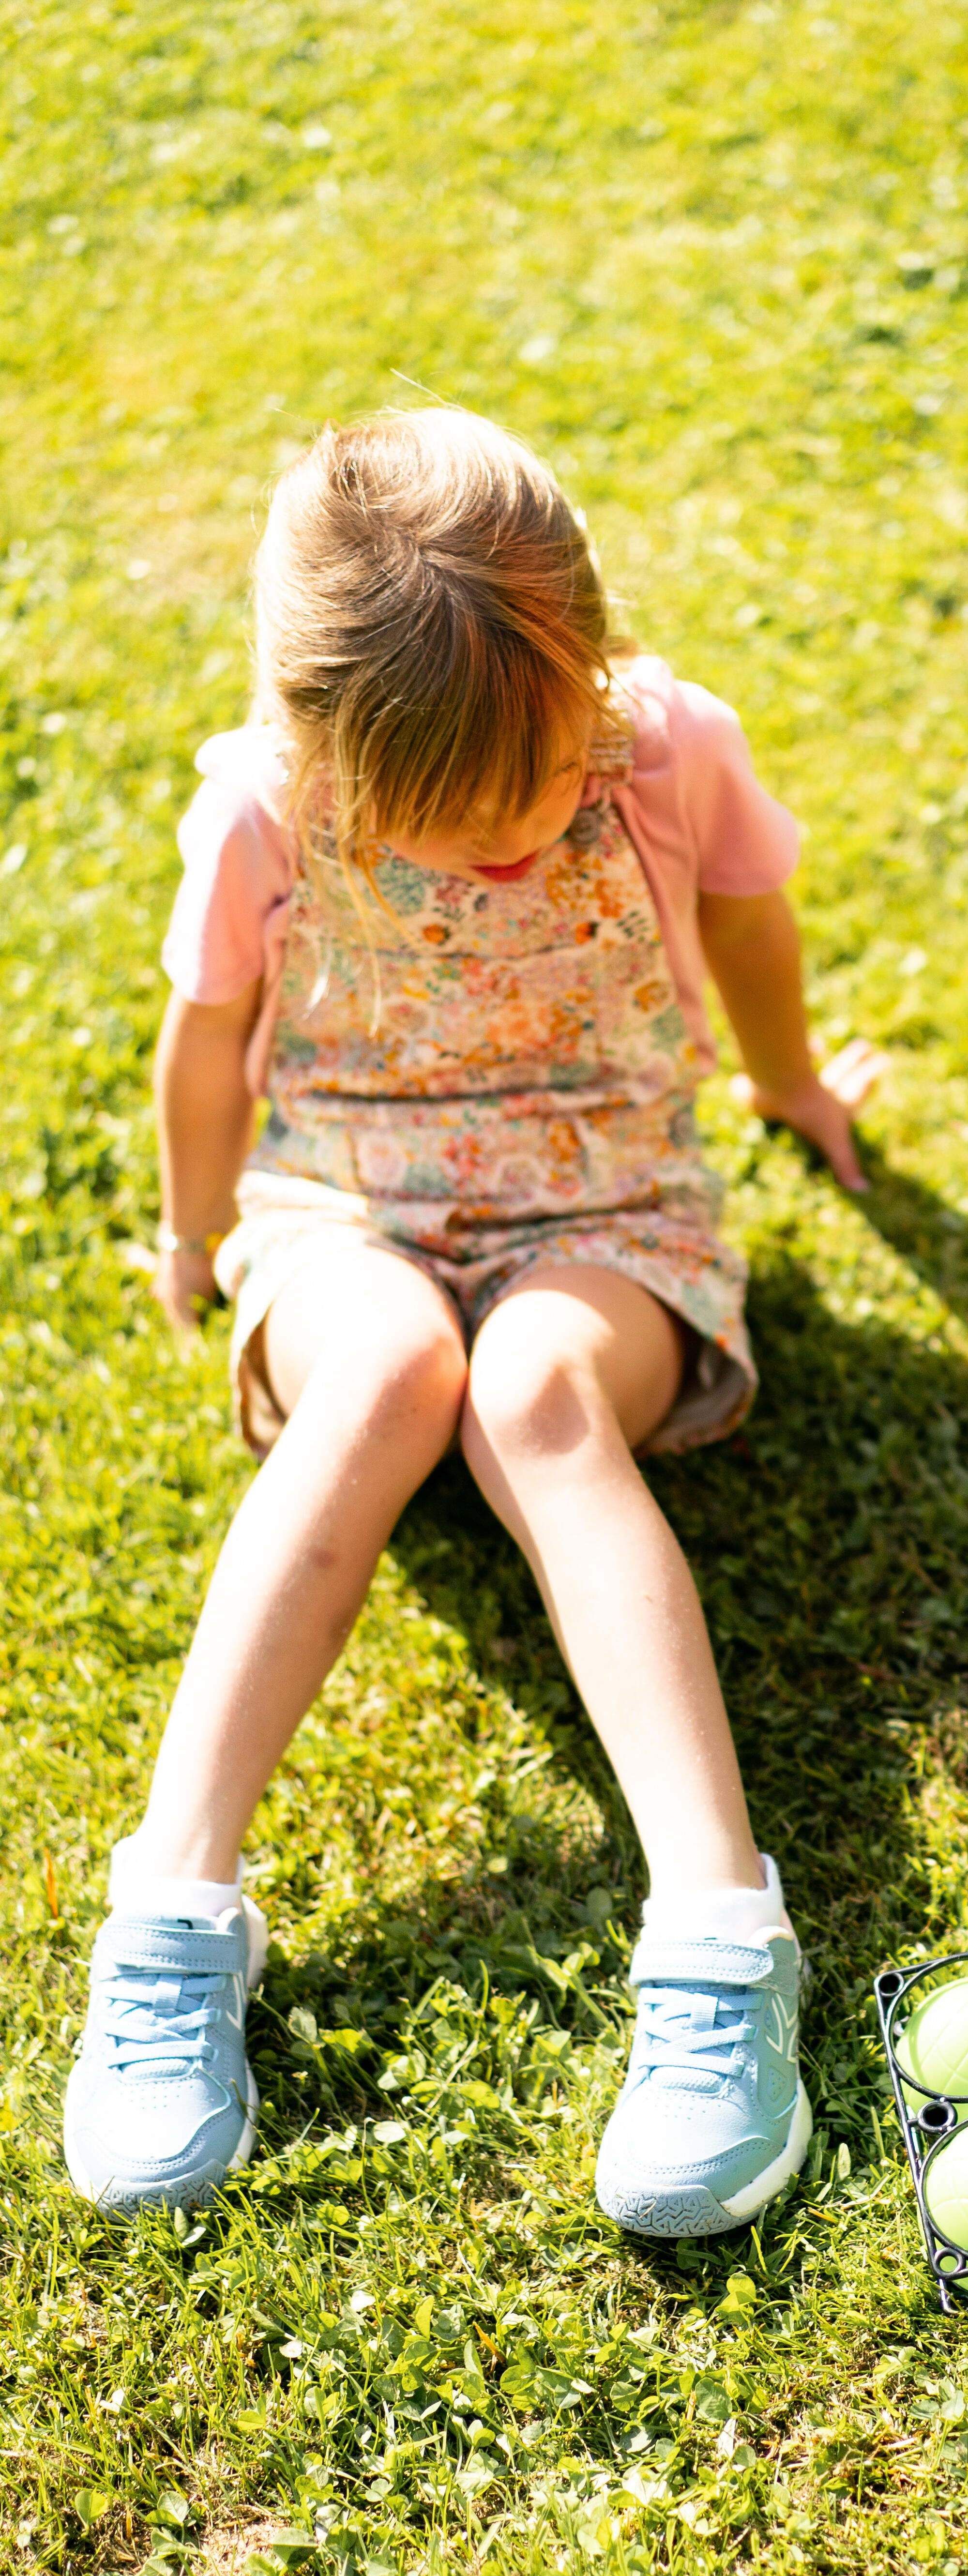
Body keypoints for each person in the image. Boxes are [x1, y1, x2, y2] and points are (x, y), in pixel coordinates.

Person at [65, 406, 880, 2229]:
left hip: (611, 1208)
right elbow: (206, 1040)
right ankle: (174, 1909)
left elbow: (752, 924)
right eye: (450, 819)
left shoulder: (668, 751)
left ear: (592, 655)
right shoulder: (264, 806)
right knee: (382, 1373)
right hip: (346, 1199)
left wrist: (791, 1081)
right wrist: (199, 1237)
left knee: (533, 1395)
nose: (514, 836)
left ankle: (723, 1933)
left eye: (536, 786)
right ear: (316, 736)